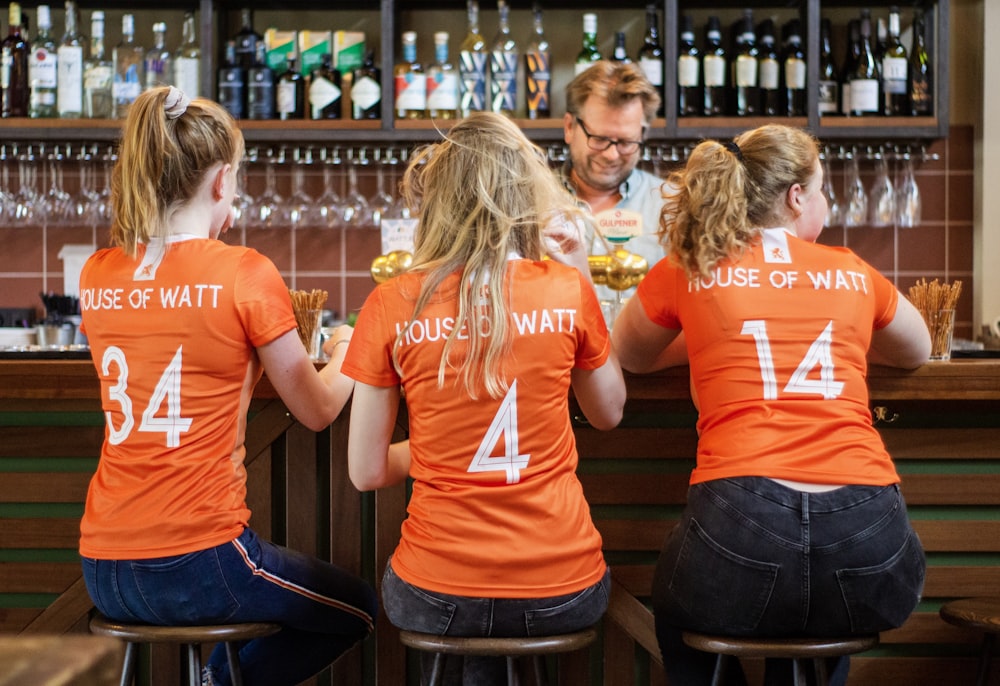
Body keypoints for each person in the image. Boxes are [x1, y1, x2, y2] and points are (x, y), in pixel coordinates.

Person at [610, 124, 931, 686]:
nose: (826, 202)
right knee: (819, 609)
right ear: (795, 196)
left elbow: (631, 355)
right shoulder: (852, 270)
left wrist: (713, 336)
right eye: (823, 188)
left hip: (739, 533)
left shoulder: (690, 265)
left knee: (676, 603)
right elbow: (917, 350)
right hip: (871, 548)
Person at [77, 86, 377, 686]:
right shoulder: (244, 272)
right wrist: (348, 347)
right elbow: (317, 409)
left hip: (103, 567)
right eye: (236, 178)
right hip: (201, 562)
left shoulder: (97, 272)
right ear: (220, 182)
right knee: (359, 610)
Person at [341, 112, 626, 686]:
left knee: (465, 620)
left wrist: (437, 447)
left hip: (434, 591)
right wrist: (576, 271)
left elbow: (367, 471)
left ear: (437, 201)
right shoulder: (565, 288)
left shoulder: (394, 302)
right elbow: (608, 412)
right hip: (561, 586)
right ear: (526, 193)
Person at [562, 60, 667, 292]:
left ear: (643, 134)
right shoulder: (529, 205)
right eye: (599, 139)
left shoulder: (671, 206)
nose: (611, 155)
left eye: (626, 142)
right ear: (569, 127)